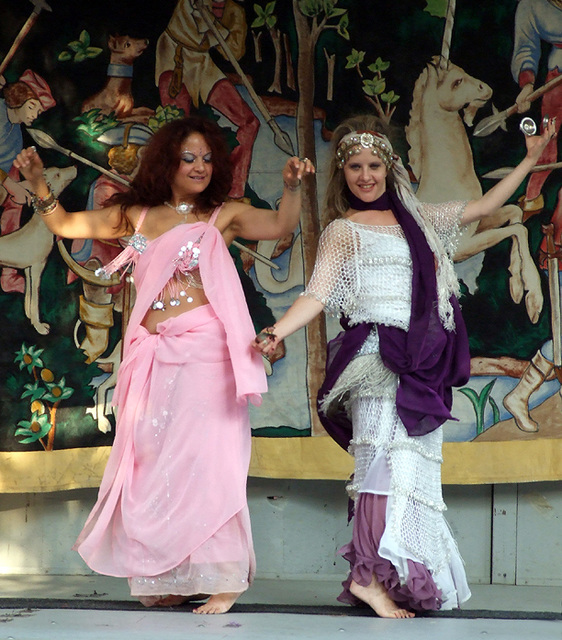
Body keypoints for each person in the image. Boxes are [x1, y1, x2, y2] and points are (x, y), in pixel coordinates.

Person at [253, 114, 555, 618]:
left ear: (390, 167)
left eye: (374, 164)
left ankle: (391, 574)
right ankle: (367, 576)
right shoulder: (342, 232)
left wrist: (529, 159)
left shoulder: (420, 219)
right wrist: (275, 332)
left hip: (421, 360)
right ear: (342, 173)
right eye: (354, 166)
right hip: (375, 358)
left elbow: (485, 205)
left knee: (410, 471)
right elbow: (317, 295)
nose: (365, 175)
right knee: (378, 464)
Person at [14, 115, 314, 614]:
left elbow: (282, 224)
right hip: (151, 355)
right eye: (188, 157)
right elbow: (67, 226)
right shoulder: (136, 215)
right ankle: (172, 573)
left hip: (205, 354)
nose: (199, 166)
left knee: (206, 462)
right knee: (154, 462)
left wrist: (290, 188)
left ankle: (224, 577)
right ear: (167, 162)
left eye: (207, 158)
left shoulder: (224, 215)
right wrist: (41, 185)